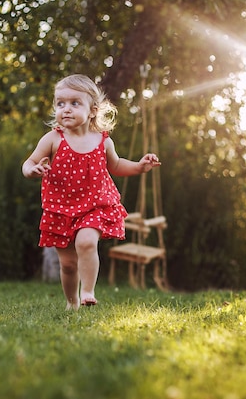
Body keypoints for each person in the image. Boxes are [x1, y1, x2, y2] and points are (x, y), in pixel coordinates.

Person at [22, 74, 161, 310]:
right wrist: (32, 170)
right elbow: (28, 163)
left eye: (75, 103)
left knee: (87, 242)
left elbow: (115, 165)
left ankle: (87, 291)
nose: (66, 109)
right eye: (60, 103)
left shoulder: (103, 141)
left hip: (94, 205)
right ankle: (72, 302)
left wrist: (139, 166)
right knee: (67, 264)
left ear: (93, 110)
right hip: (61, 209)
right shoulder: (53, 139)